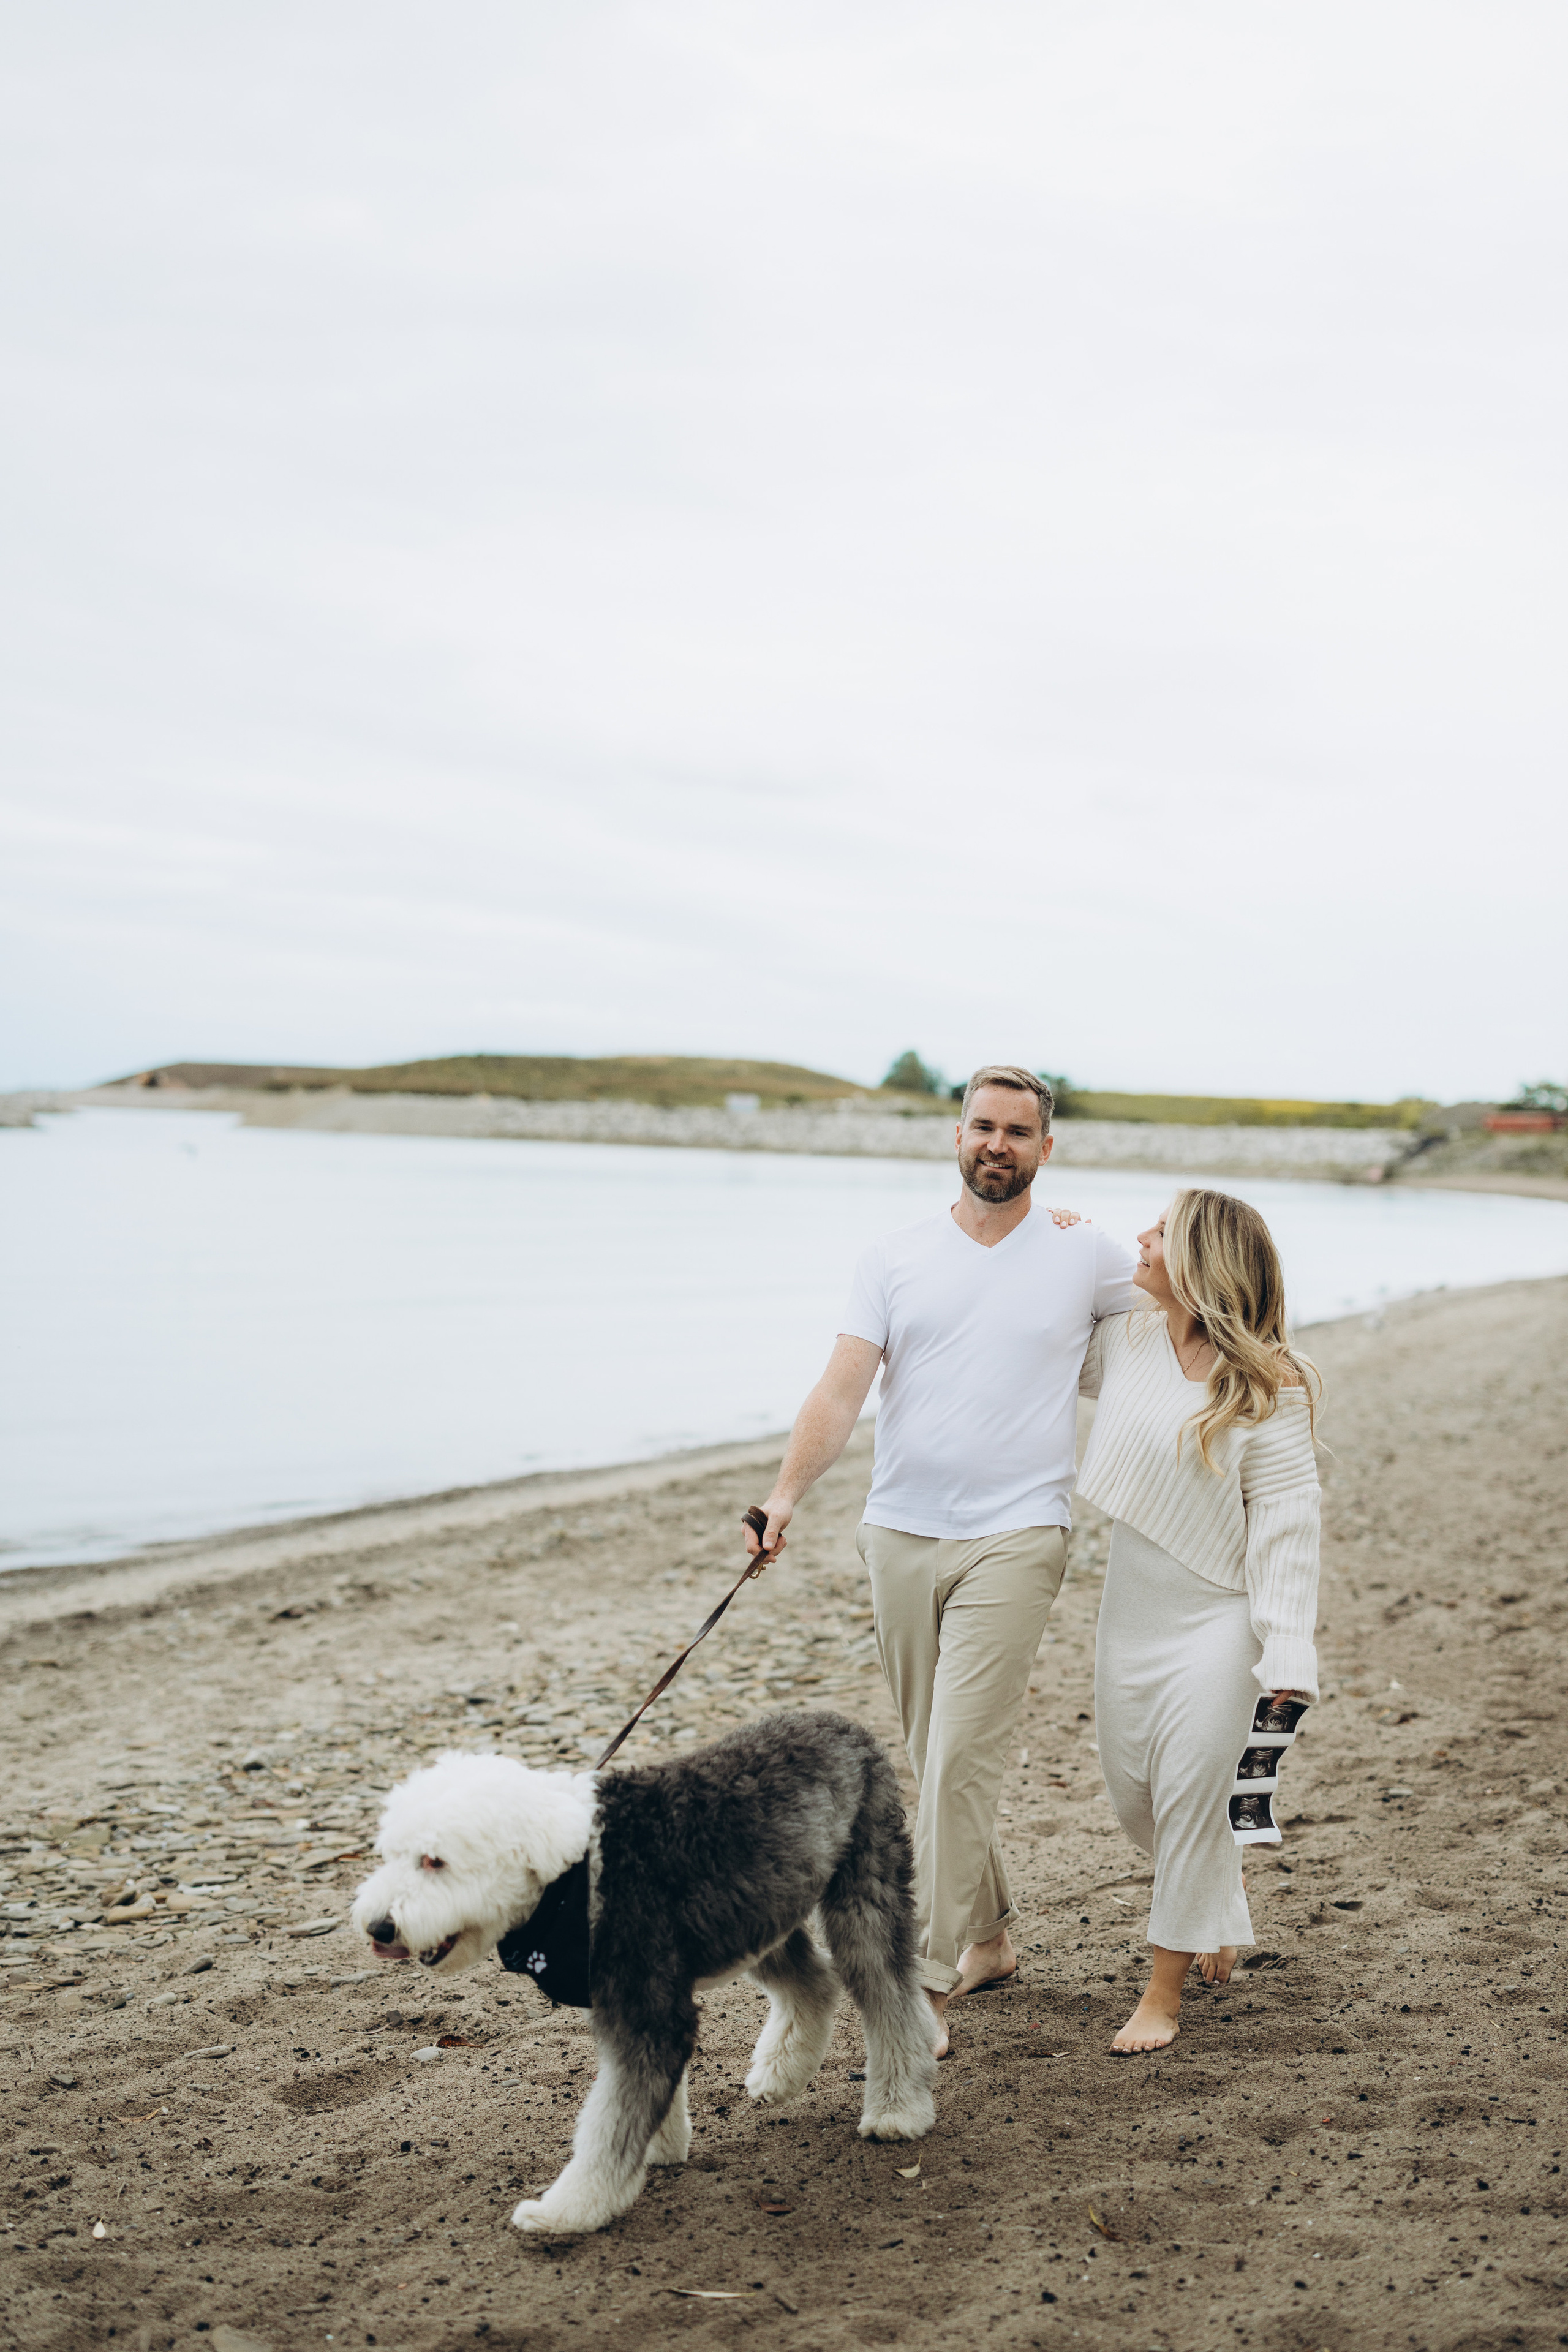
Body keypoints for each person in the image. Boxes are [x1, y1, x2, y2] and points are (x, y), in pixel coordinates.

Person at [744, 1066, 1138, 2055]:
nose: (995, 1144)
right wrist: (785, 1497)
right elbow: (840, 1391)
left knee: (961, 1758)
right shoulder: (894, 1258)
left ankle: (915, 1977)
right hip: (901, 1532)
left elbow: (1184, 1302)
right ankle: (993, 1939)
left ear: (1047, 1149)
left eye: (1017, 1131)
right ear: (956, 1136)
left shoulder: (1085, 1252)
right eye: (981, 1126)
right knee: (935, 1758)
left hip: (1019, 1533)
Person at [1075, 1187, 1322, 2054]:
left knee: (1187, 1798)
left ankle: (1162, 1995)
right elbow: (1032, 1332)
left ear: (1203, 1261)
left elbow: (1289, 1533)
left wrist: (1288, 1651)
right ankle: (1220, 1904)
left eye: (1161, 1231)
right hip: (1128, 1614)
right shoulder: (1127, 1338)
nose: (1139, 1238)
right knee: (1136, 1799)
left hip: (1220, 1618)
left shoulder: (1270, 1391)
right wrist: (1050, 1235)